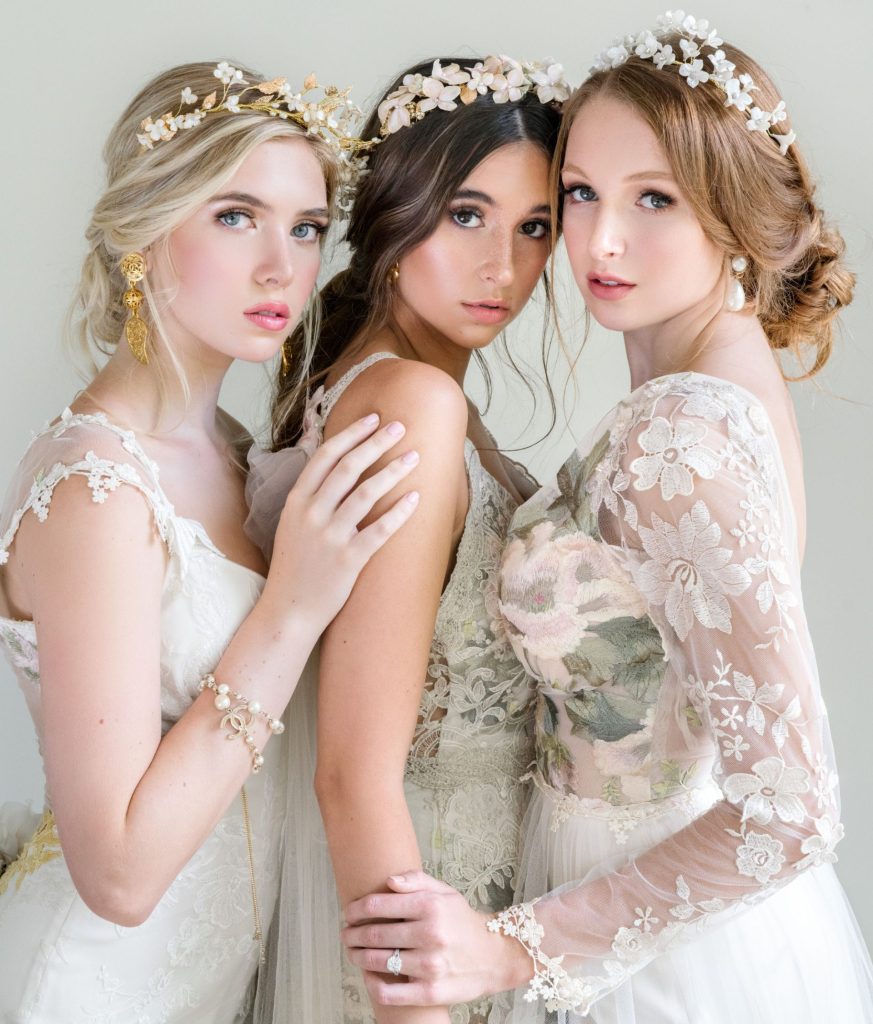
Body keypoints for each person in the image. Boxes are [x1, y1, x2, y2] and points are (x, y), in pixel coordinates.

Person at [340, 14, 873, 1022]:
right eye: (580, 194)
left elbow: (797, 809)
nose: (602, 240)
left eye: (654, 199)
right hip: (633, 886)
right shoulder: (718, 382)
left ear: (734, 213)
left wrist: (514, 947)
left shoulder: (683, 434)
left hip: (658, 938)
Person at [0, 59, 420, 1024]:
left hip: (213, 990)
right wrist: (296, 604)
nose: (283, 265)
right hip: (91, 991)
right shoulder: (97, 491)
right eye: (236, 217)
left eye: (306, 228)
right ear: (146, 230)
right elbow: (119, 876)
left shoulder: (237, 455)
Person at [249, 54, 567, 1024]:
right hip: (426, 924)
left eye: (535, 228)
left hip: (469, 922)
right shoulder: (411, 404)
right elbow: (351, 769)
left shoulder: (375, 387)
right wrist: (412, 1009)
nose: (502, 267)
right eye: (467, 214)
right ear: (397, 202)